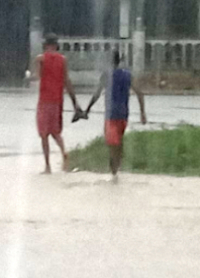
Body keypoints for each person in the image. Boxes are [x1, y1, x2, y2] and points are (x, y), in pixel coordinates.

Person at [85, 50, 147, 181]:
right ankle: (116, 174)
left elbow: (96, 94)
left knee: (113, 146)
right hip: (124, 116)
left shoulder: (106, 75)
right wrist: (142, 113)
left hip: (111, 116)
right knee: (118, 144)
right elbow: (140, 93)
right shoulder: (127, 75)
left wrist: (88, 109)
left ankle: (114, 175)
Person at [28, 34, 82, 174]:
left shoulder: (40, 59)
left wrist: (28, 77)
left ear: (46, 45)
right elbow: (67, 81)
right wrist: (75, 102)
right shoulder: (62, 60)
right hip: (57, 100)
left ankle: (47, 166)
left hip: (44, 100)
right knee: (55, 131)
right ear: (56, 45)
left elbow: (37, 76)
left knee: (44, 134)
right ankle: (64, 151)